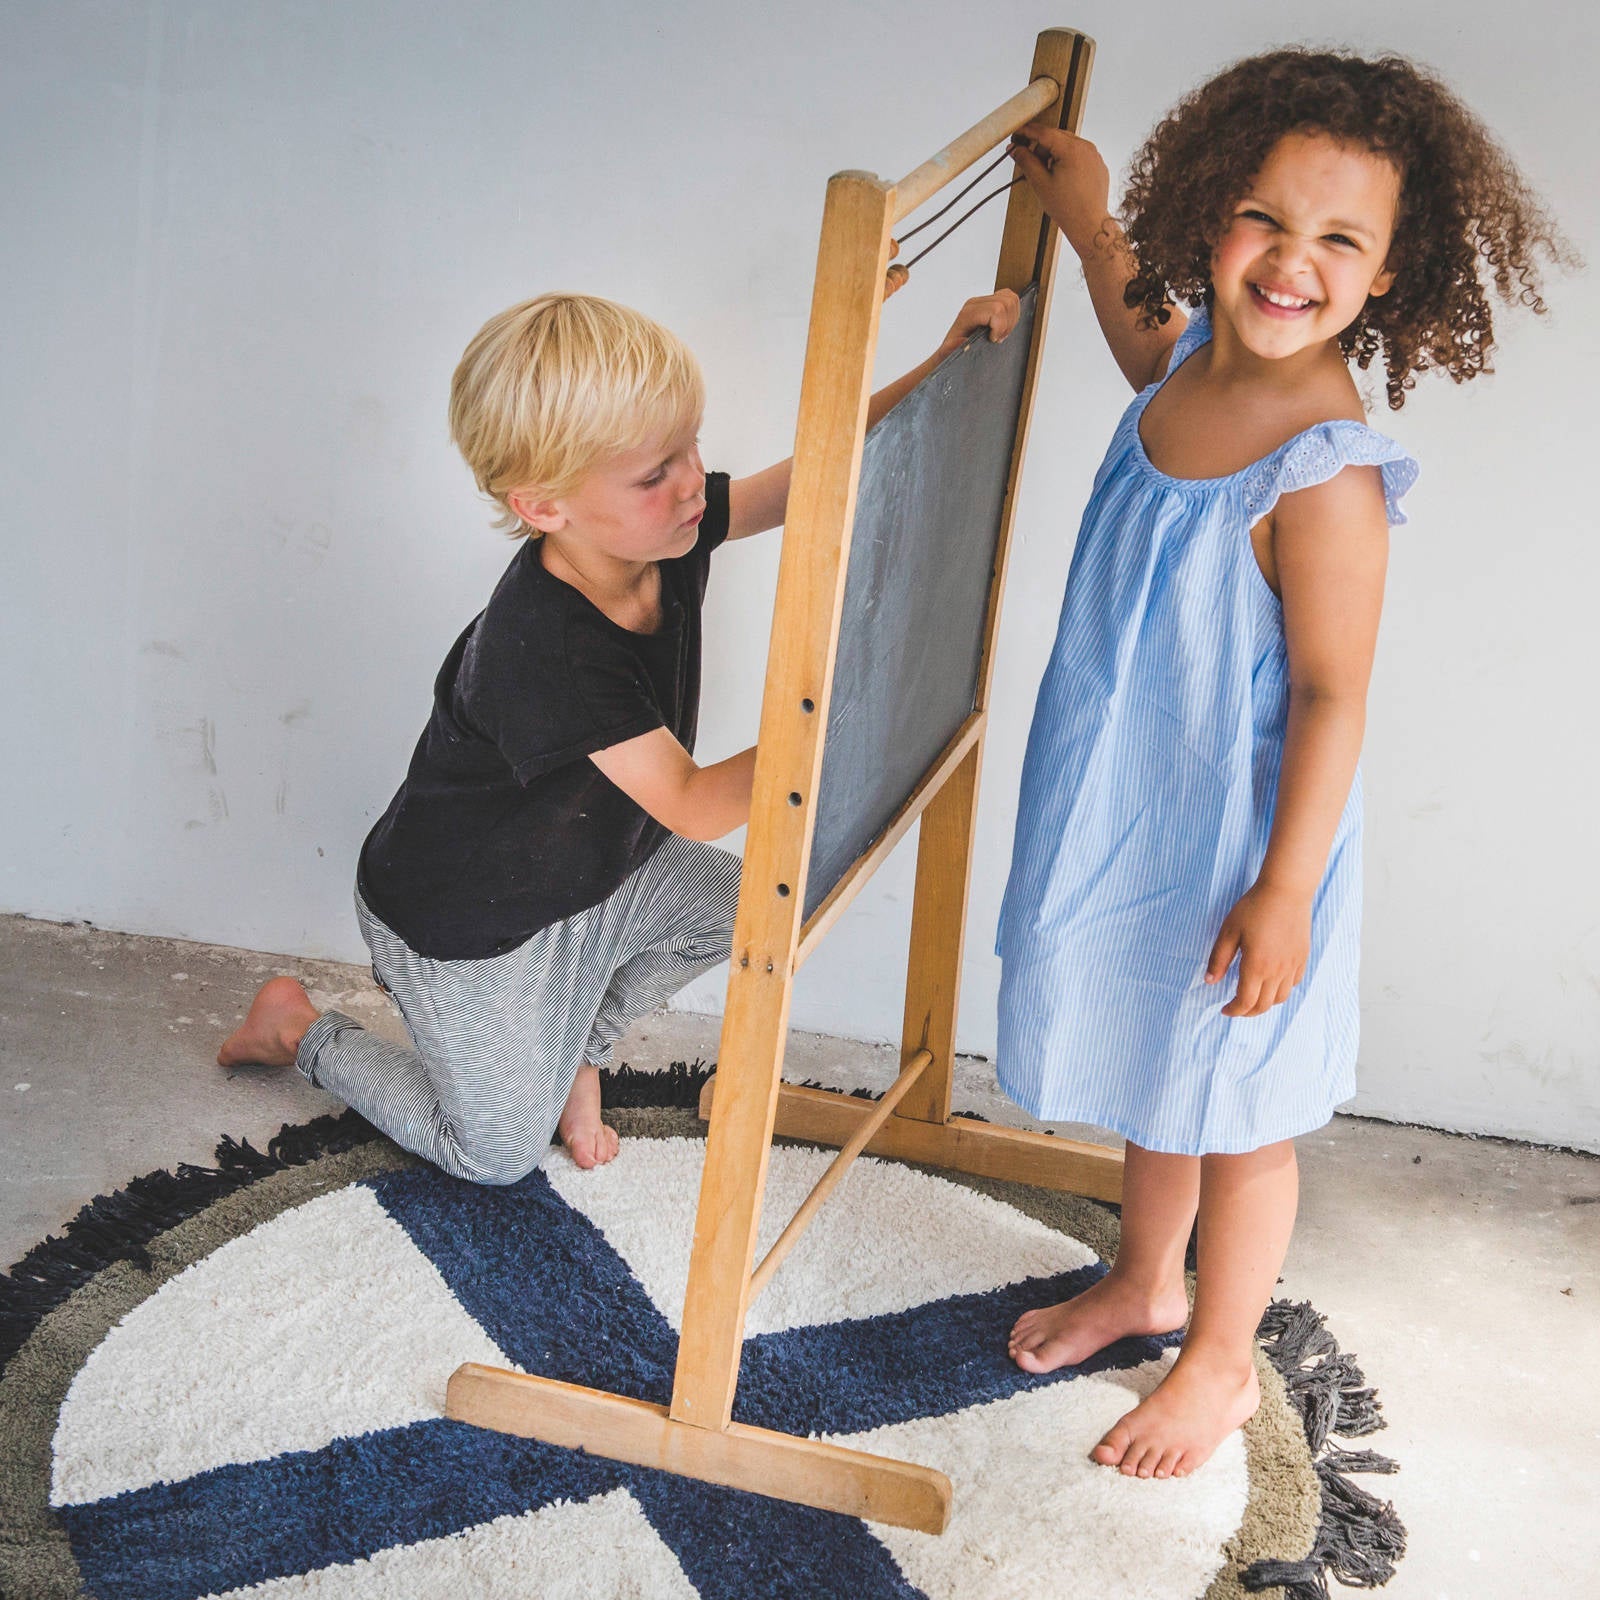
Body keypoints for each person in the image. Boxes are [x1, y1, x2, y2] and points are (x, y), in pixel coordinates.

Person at [997, 50, 1568, 1479]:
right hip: (1139, 806)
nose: (1290, 261)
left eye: (1338, 241)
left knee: (1237, 1108)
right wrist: (1086, 216)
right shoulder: (1194, 359)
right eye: (1262, 218)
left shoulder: (1326, 474)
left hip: (1246, 845)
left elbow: (1330, 695)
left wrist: (1286, 889)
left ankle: (1221, 1361)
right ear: (1211, 212)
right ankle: (1146, 1279)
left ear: (1391, 274)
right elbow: (1142, 330)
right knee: (1160, 1060)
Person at [219, 288, 1021, 1183]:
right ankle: (297, 1030)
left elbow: (816, 478)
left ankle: (578, 1054)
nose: (692, 482)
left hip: (601, 868)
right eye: (654, 474)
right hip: (468, 924)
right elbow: (695, 804)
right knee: (494, 1155)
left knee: (757, 908)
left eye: (691, 446)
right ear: (544, 508)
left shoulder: (663, 533)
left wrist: (939, 366)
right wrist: (839, 725)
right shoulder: (549, 648)